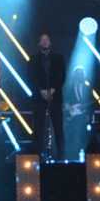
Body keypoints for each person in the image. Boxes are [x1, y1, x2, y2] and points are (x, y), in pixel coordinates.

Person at [27, 33, 66, 161]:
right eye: (42, 40)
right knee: (38, 127)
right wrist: (41, 90)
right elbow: (31, 77)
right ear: (39, 43)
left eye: (47, 39)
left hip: (56, 96)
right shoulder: (33, 59)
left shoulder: (58, 58)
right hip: (39, 98)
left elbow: (62, 75)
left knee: (58, 127)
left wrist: (54, 89)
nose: (45, 42)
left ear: (50, 42)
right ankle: (37, 156)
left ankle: (61, 156)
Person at [63, 65, 91, 162]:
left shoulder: (87, 88)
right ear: (75, 76)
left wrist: (88, 114)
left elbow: (91, 103)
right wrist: (69, 107)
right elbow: (64, 101)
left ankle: (83, 156)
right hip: (72, 117)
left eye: (81, 74)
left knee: (84, 137)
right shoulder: (68, 88)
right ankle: (72, 156)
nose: (80, 76)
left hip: (83, 116)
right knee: (73, 137)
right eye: (78, 74)